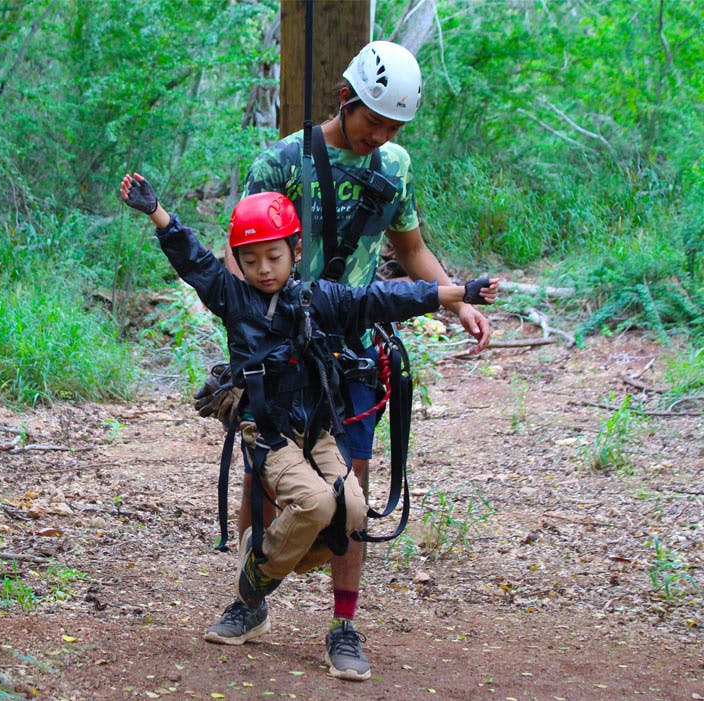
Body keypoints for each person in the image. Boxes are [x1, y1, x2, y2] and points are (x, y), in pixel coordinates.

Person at [199, 41, 499, 680]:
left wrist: (457, 303)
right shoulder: (281, 161)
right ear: (346, 100)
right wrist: (246, 348)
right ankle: (250, 601)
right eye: (375, 121)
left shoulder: (394, 168)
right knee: (264, 478)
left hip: (352, 357)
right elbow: (240, 258)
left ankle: (344, 623)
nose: (382, 135)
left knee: (350, 488)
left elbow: (410, 247)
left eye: (395, 126)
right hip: (279, 358)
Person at [119, 179, 496, 680]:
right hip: (267, 431)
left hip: (317, 431)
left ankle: (335, 621)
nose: (263, 270)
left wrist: (458, 294)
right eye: (250, 260)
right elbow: (193, 261)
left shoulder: (322, 299)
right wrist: (158, 213)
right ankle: (256, 582)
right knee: (317, 504)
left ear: (295, 251)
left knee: (354, 507)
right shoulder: (232, 297)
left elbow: (384, 299)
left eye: (273, 257)